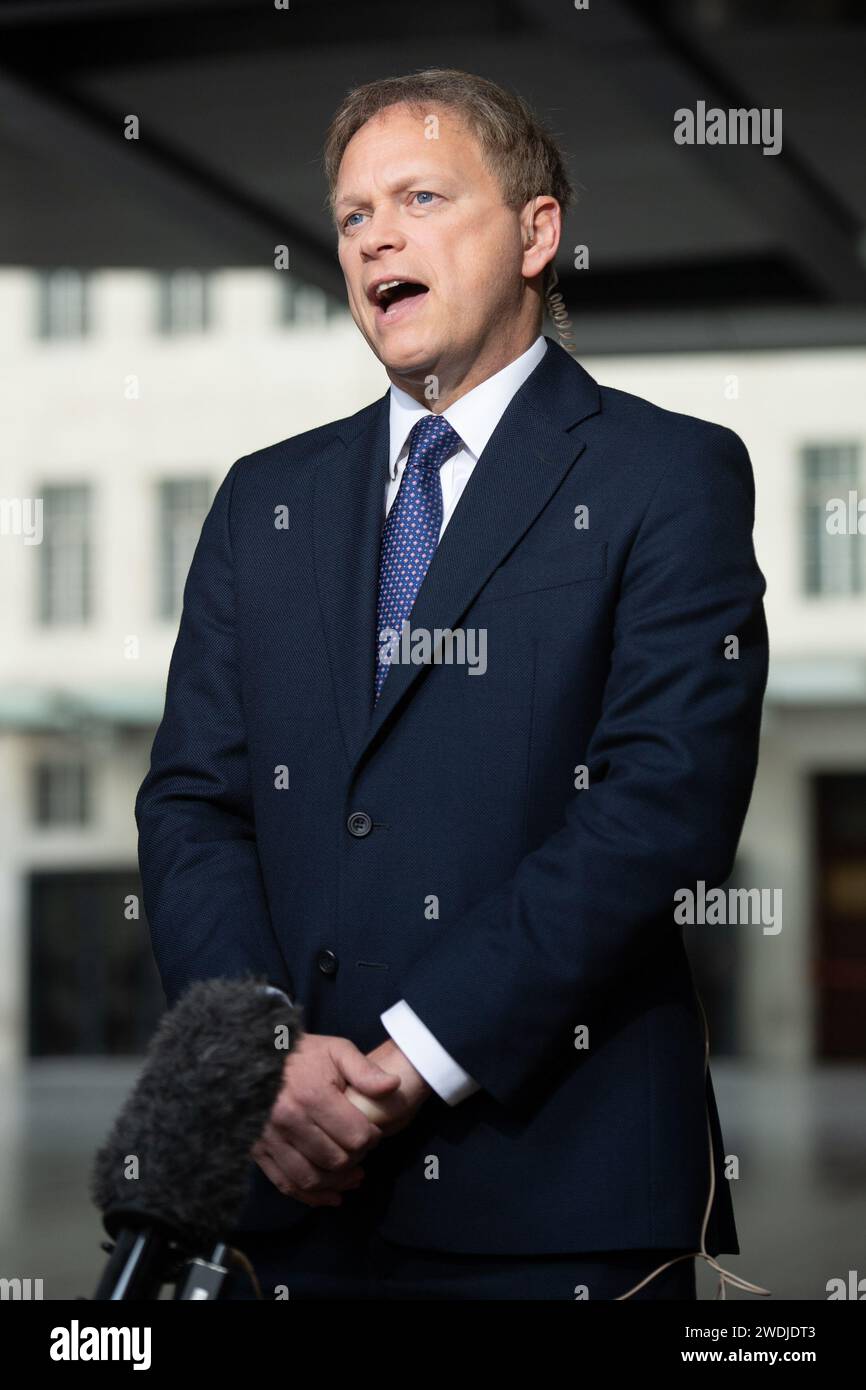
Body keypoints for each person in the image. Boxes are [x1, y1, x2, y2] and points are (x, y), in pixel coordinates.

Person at [135, 68, 769, 1301]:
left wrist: (407, 1064)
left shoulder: (666, 475)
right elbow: (192, 807)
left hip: (554, 1200)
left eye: (420, 196)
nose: (376, 235)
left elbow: (660, 805)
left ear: (537, 232)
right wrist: (264, 1058)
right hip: (284, 1200)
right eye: (354, 212)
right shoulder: (260, 500)